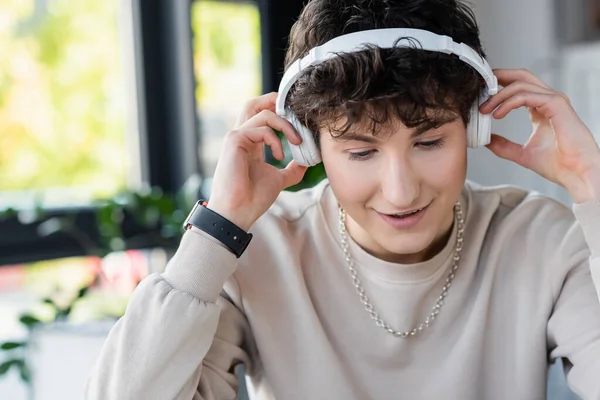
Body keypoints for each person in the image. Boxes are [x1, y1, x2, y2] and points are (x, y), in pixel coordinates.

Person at [85, 0, 600, 399]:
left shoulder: (542, 238)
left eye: (428, 142)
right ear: (309, 144)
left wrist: (593, 186)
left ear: (472, 126)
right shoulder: (260, 253)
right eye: (360, 152)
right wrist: (216, 231)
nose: (401, 191)